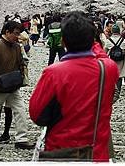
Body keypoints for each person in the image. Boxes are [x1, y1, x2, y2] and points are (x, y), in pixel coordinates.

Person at [29, 11, 119, 161]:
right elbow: (99, 54)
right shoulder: (108, 69)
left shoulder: (54, 73)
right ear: (94, 40)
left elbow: (36, 115)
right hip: (96, 153)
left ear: (63, 41)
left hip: (62, 151)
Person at [0, 20, 34, 149]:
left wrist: (20, 76)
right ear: (7, 32)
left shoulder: (16, 46)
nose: (17, 36)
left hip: (13, 86)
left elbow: (21, 62)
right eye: (15, 33)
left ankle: (22, 138)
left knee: (20, 110)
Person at [104, 24, 125, 100]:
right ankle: (118, 90)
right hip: (121, 60)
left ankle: (112, 89)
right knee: (119, 75)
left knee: (112, 75)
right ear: (119, 31)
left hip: (111, 60)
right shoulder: (123, 40)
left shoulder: (108, 40)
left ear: (112, 31)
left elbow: (104, 51)